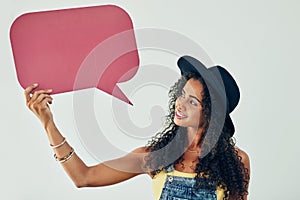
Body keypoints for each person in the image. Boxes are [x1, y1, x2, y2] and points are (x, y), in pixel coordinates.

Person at [24, 55, 250, 200]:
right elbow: (84, 177)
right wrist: (48, 123)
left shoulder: (236, 162)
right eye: (182, 94)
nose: (180, 104)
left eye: (193, 101)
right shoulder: (154, 157)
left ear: (212, 114)